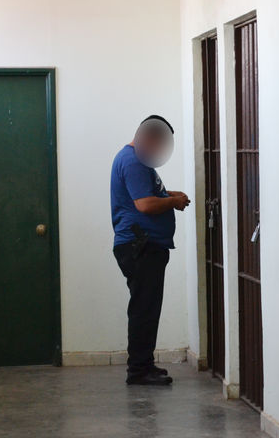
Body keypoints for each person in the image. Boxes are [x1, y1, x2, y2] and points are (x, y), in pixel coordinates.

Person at [110, 115, 190, 385]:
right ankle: (139, 370)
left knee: (146, 307)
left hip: (143, 245)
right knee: (144, 308)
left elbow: (146, 195)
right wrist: (173, 202)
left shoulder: (137, 160)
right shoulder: (133, 161)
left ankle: (144, 365)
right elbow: (144, 204)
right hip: (140, 246)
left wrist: (171, 196)